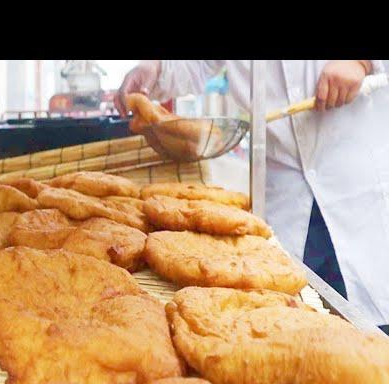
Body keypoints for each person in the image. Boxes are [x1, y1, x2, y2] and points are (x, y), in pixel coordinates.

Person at [115, 60, 389, 329]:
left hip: (356, 190)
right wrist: (157, 69)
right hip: (284, 201)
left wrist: (361, 62)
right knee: (297, 327)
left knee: (372, 335)